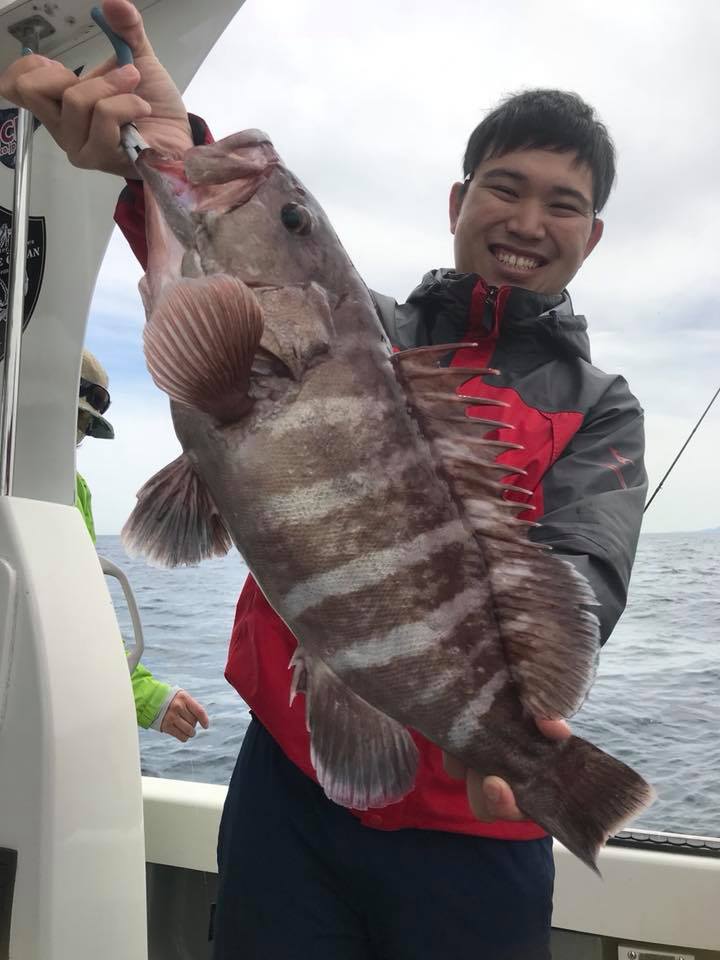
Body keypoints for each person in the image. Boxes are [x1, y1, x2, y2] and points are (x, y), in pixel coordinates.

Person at [0, 6, 647, 957]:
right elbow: (222, 278)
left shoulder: (603, 403)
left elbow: (583, 556)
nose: (527, 219)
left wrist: (531, 719)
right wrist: (172, 155)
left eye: (562, 203)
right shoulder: (362, 329)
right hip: (290, 791)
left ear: (591, 236)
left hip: (482, 828)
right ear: (458, 200)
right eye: (505, 188)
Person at [76, 346, 210, 744]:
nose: (76, 436)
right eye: (73, 419)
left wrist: (150, 699)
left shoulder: (71, 488)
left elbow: (84, 616)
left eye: (84, 426)